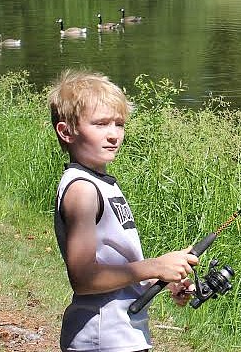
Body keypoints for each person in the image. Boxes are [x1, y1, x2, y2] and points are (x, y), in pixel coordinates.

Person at [49, 69, 198, 352]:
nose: (114, 135)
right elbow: (83, 279)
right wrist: (153, 265)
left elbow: (115, 259)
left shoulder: (102, 183)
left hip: (124, 334)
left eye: (119, 124)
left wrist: (163, 279)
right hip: (102, 338)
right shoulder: (82, 190)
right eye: (101, 124)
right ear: (67, 132)